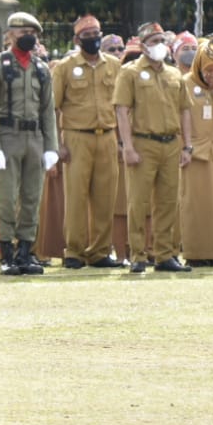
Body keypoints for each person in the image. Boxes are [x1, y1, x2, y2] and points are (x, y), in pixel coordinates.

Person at [0, 12, 58, 276]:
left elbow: (48, 110)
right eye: (24, 32)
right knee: (5, 197)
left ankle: (26, 251)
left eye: (33, 33)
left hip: (34, 138)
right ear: (10, 34)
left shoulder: (41, 68)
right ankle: (7, 254)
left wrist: (51, 147)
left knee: (32, 197)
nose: (29, 37)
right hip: (8, 135)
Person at [114, 22, 191, 273]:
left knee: (169, 202)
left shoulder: (174, 74)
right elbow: (122, 110)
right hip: (143, 142)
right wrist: (127, 146)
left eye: (162, 40)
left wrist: (187, 146)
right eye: (154, 41)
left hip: (171, 143)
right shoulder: (130, 72)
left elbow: (185, 110)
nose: (159, 45)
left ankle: (164, 254)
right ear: (144, 45)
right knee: (138, 201)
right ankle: (137, 255)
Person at [52, 15, 122, 269]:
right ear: (76, 39)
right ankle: (75, 251)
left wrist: (123, 142)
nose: (93, 39)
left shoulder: (114, 65)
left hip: (108, 135)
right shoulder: (65, 67)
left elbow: (123, 106)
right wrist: (58, 143)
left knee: (106, 197)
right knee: (76, 197)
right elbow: (54, 107)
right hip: (76, 137)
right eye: (87, 35)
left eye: (96, 34)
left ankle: (101, 251)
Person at [178, 38, 213, 267]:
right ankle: (194, 253)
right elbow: (181, 115)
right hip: (194, 152)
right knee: (193, 204)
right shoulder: (185, 83)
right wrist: (184, 146)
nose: (212, 73)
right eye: (208, 69)